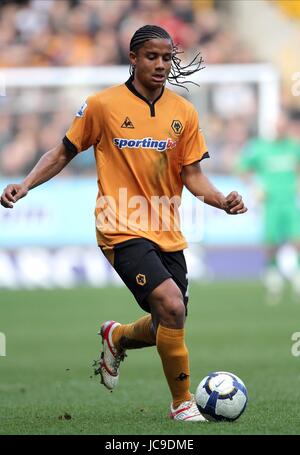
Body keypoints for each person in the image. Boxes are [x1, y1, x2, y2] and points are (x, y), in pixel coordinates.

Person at [0, 25, 247, 421]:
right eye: (152, 57)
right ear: (133, 59)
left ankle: (116, 336)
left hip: (167, 229)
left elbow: (193, 174)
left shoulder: (182, 111)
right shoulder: (102, 105)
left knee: (169, 319)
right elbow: (63, 152)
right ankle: (182, 403)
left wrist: (221, 200)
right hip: (120, 226)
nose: (161, 65)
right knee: (171, 306)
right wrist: (26, 184)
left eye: (167, 58)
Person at [237, 110, 300, 303]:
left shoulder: (293, 147)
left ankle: (297, 276)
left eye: (283, 125)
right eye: (277, 125)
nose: (280, 128)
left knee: (296, 240)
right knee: (271, 242)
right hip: (270, 203)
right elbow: (241, 167)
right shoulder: (261, 148)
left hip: (290, 201)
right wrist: (255, 186)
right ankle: (272, 275)